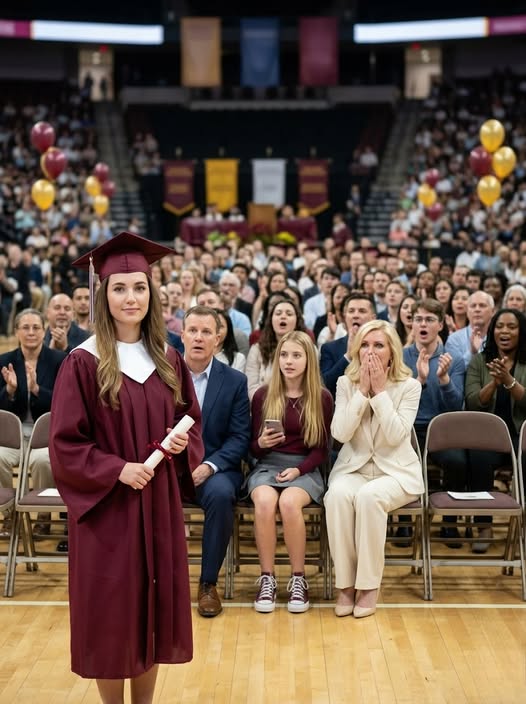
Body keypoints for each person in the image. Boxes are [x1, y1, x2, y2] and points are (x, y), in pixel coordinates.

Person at [49, 232, 204, 703]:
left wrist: (182, 443)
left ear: (151, 293)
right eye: (119, 288)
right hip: (108, 511)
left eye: (139, 287)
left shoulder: (168, 358)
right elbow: (66, 443)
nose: (130, 297)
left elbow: (191, 420)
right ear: (103, 294)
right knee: (112, 614)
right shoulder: (83, 362)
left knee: (152, 611)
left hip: (157, 504)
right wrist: (116, 469)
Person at [324, 320, 422, 618]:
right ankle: (345, 585)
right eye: (365, 345)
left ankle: (368, 587)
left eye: (378, 345)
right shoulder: (345, 383)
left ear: (392, 351)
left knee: (369, 497)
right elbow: (340, 433)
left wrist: (379, 393)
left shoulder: (409, 386)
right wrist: (361, 393)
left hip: (396, 473)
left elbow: (395, 436)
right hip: (354, 469)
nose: (370, 351)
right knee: (337, 496)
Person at [247, 331, 333, 613]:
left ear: (309, 360)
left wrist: (298, 470)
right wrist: (261, 443)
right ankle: (267, 578)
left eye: (296, 355)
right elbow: (253, 449)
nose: (288, 361)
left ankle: (298, 578)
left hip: (304, 467)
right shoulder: (263, 395)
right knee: (264, 501)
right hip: (268, 464)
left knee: (288, 503)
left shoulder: (321, 397)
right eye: (284, 355)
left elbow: (321, 450)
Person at [181, 306, 251, 617]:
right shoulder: (162, 376)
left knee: (222, 495)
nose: (199, 337)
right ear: (182, 335)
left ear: (218, 340)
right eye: (193, 330)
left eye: (206, 332)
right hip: (170, 466)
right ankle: (152, 580)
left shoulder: (235, 381)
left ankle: (208, 583)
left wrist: (208, 467)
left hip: (215, 469)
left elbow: (239, 437)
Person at [0, 308, 66, 537]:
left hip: (46, 437)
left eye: (36, 327)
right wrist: (10, 391)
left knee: (43, 460)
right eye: (25, 327)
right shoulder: (4, 361)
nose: (31, 332)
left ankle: (43, 515)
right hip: (13, 437)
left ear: (44, 331)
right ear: (16, 331)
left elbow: (64, 402)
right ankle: (8, 516)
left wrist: (37, 389)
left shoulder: (59, 360)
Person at [465, 308, 526, 553]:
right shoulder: (480, 361)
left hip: (520, 435)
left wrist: (509, 381)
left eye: (511, 327)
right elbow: (472, 402)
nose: (505, 331)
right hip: (488, 438)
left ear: (521, 332)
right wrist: (494, 383)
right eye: (500, 326)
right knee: (477, 458)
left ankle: (522, 528)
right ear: (492, 331)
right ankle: (484, 526)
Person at [246, 298, 306, 399]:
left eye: (289, 314)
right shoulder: (257, 350)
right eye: (278, 313)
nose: (283, 316)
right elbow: (251, 388)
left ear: (297, 321)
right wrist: (273, 403)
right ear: (271, 320)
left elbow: (312, 382)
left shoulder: (309, 349)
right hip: (265, 404)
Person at [320, 292, 376, 397]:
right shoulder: (329, 348)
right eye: (351, 311)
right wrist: (348, 356)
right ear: (345, 316)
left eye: (362, 311)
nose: (355, 315)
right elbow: (325, 386)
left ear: (373, 318)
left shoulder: (382, 347)